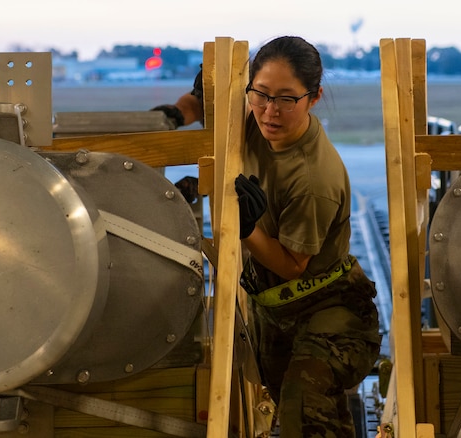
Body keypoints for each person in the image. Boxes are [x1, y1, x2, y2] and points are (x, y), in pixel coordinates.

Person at [157, 36, 381, 437]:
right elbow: (202, 102)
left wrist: (246, 230)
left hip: (330, 308)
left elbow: (294, 267)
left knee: (302, 405)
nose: (270, 111)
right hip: (274, 310)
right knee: (293, 408)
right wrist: (174, 115)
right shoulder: (251, 113)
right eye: (261, 94)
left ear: (314, 98)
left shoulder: (314, 178)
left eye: (286, 99)